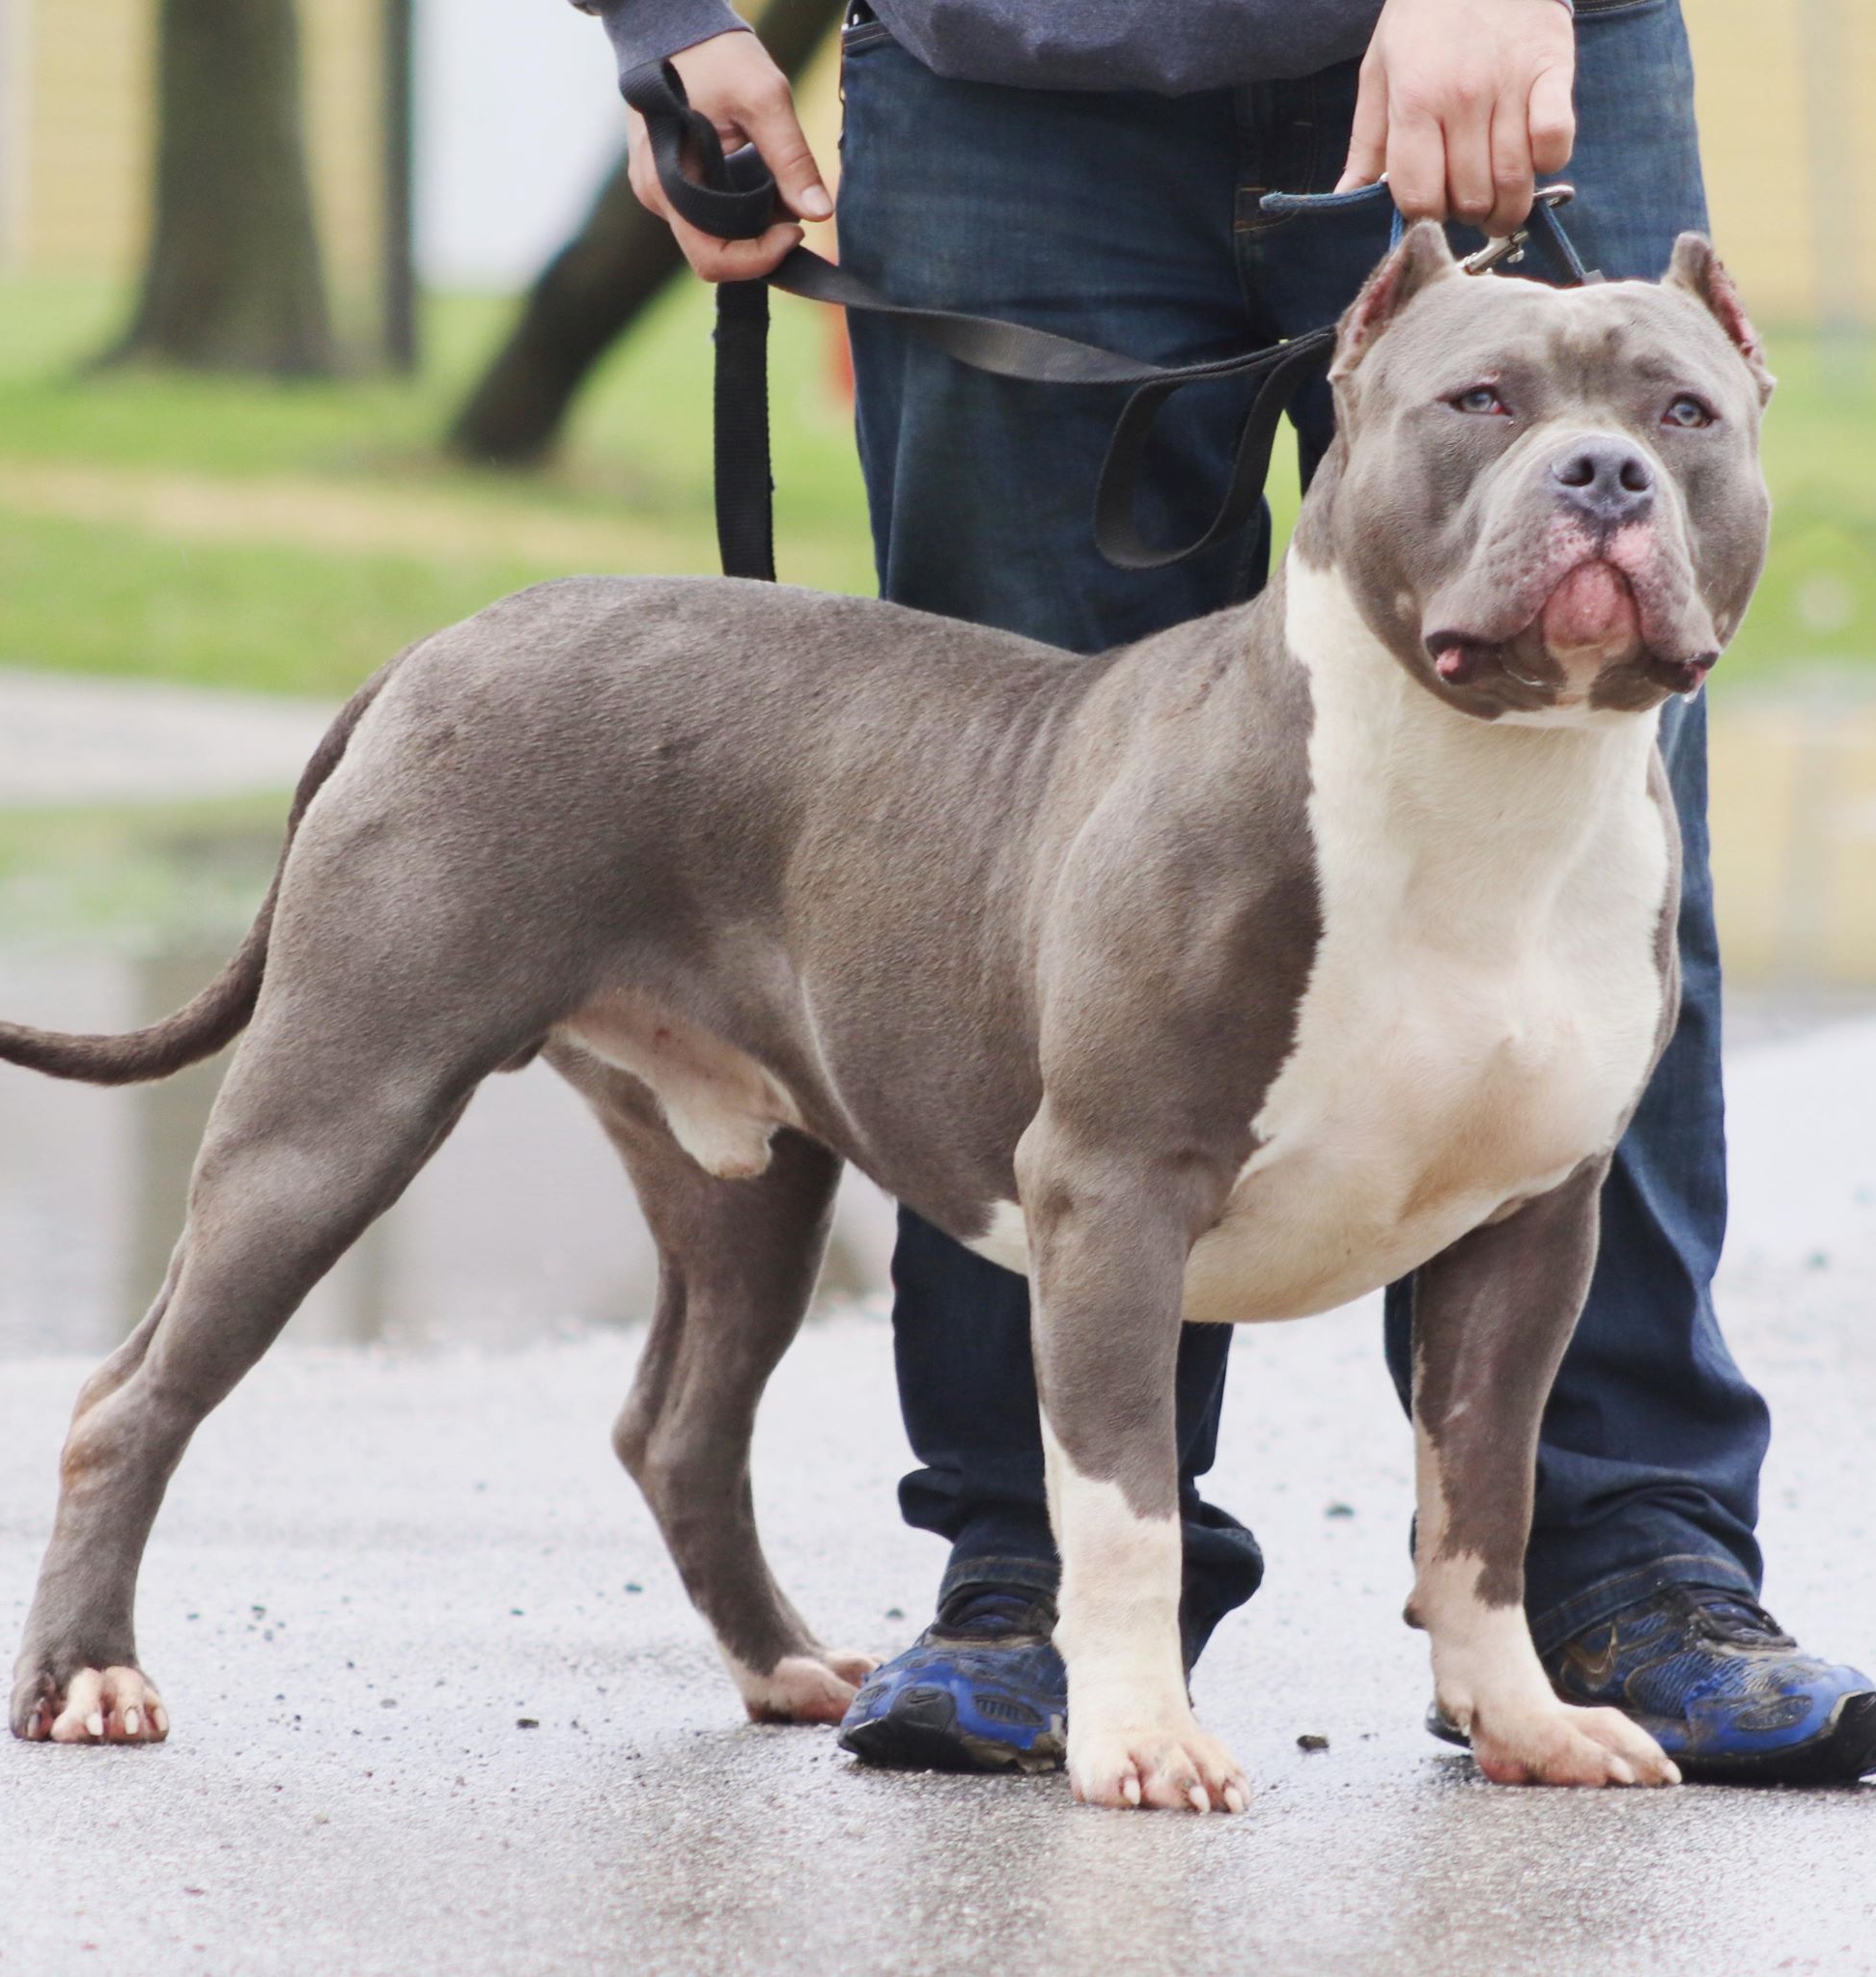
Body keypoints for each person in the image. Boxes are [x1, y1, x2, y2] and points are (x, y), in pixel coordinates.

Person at [575, 0, 1876, 1784]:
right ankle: (1039, 1574)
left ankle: (1625, 1557)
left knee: (1590, 862)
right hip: (1012, 84)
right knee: (980, 869)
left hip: (1504, 41)